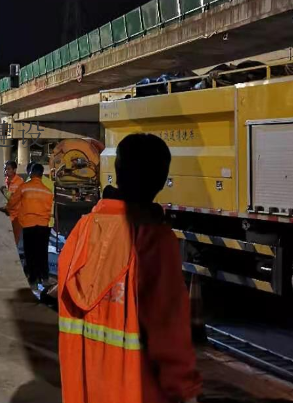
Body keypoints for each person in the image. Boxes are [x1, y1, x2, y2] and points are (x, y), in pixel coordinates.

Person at [58, 133, 201, 403]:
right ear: (160, 181)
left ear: (118, 172)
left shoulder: (81, 233)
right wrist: (186, 392)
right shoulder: (154, 241)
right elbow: (169, 333)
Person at [4, 163, 54, 286]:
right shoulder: (48, 192)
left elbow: (13, 202)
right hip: (43, 225)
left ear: (31, 174)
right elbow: (49, 209)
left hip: (28, 225)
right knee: (42, 252)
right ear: (42, 176)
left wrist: (7, 209)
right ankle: (45, 278)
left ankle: (33, 280)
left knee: (30, 253)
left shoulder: (24, 187)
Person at [0, 160, 24, 244]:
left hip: (16, 216)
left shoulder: (19, 182)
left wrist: (4, 191)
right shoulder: (4, 181)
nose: (6, 171)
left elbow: (14, 198)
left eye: (8, 169)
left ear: (14, 170)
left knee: (14, 240)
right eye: (5, 169)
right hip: (6, 214)